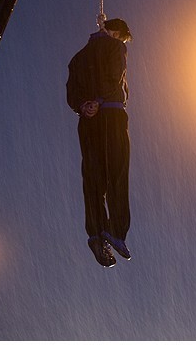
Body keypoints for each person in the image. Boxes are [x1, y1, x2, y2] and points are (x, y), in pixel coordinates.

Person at [66, 18, 133, 267]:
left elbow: (71, 93)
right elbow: (114, 77)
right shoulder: (115, 47)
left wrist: (84, 104)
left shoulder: (77, 58)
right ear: (116, 33)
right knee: (117, 172)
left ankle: (95, 233)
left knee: (93, 178)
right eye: (122, 38)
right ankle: (116, 230)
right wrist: (100, 100)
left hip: (88, 122)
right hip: (112, 115)